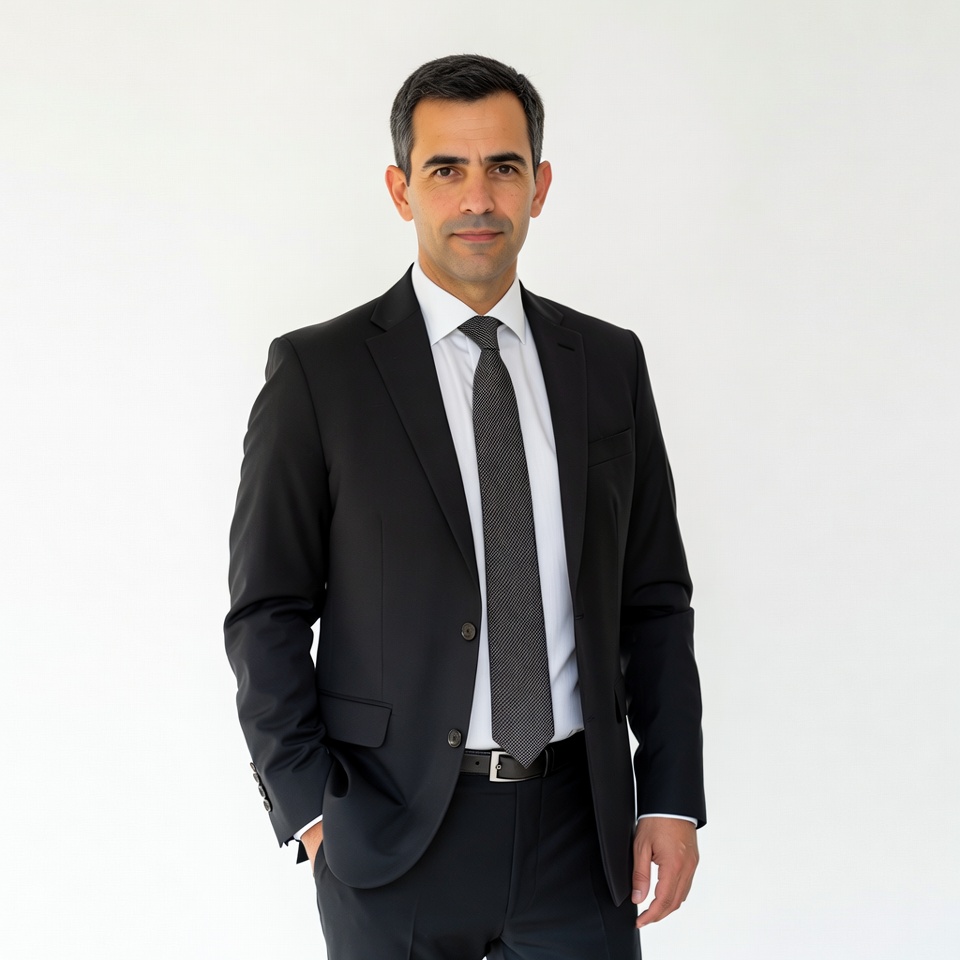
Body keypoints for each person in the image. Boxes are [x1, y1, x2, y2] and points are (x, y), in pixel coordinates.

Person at [225, 53, 705, 959]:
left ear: (540, 186)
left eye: (503, 168)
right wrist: (312, 810)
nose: (477, 198)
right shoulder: (320, 374)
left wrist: (672, 797)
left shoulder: (608, 363)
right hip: (391, 833)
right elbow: (268, 610)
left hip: (581, 833)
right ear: (401, 189)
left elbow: (654, 599)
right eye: (446, 169)